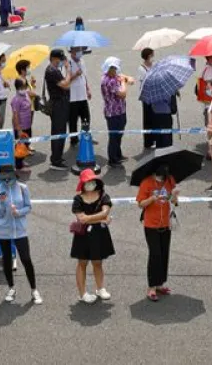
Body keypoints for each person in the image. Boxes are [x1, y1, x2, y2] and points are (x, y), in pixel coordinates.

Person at [0, 164, 42, 304]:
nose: (7, 180)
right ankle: (11, 288)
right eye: (4, 177)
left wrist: (18, 212)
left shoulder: (22, 188)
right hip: (3, 230)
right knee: (7, 259)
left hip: (20, 230)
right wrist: (2, 204)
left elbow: (28, 207)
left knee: (26, 259)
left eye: (9, 176)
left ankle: (34, 290)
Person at [70, 169, 116, 303]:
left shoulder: (103, 196)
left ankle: (100, 288)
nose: (90, 184)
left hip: (99, 234)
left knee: (98, 262)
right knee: (82, 262)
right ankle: (82, 293)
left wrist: (90, 218)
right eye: (87, 182)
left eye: (92, 181)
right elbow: (81, 219)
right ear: (82, 184)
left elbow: (104, 212)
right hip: (83, 235)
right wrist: (101, 220)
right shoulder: (78, 199)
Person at [136, 163, 178, 301]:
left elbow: (174, 202)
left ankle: (160, 283)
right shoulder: (146, 183)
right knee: (155, 254)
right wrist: (151, 199)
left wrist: (174, 196)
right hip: (151, 225)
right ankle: (151, 287)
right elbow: (140, 203)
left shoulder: (169, 180)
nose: (163, 179)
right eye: (161, 176)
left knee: (164, 253)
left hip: (165, 223)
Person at [44, 49, 71, 169]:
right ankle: (55, 160)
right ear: (54, 58)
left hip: (61, 103)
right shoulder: (52, 71)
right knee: (58, 132)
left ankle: (58, 156)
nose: (62, 61)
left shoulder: (54, 70)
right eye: (61, 59)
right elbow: (65, 85)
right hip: (58, 104)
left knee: (61, 131)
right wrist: (68, 70)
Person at [101, 59, 130, 166]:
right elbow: (122, 94)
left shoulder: (110, 77)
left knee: (118, 135)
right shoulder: (110, 81)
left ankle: (118, 154)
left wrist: (123, 79)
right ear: (108, 69)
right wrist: (123, 83)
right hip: (114, 113)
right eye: (113, 69)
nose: (115, 71)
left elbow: (121, 77)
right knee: (114, 137)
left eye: (115, 68)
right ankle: (113, 159)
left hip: (118, 111)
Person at [66, 46, 92, 153]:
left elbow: (84, 76)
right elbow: (66, 81)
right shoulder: (68, 64)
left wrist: (88, 89)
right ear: (71, 51)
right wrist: (75, 75)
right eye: (77, 50)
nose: (79, 52)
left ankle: (85, 135)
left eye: (80, 50)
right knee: (73, 120)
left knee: (86, 117)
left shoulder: (82, 61)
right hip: (72, 97)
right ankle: (74, 140)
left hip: (82, 95)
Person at [10, 77, 35, 160]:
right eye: (23, 87)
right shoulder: (16, 100)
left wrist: (32, 84)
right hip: (21, 127)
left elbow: (32, 93)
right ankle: (19, 165)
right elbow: (15, 115)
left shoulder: (26, 94)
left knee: (27, 142)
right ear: (18, 88)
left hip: (27, 125)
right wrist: (19, 130)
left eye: (26, 86)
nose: (25, 88)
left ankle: (23, 157)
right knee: (20, 147)